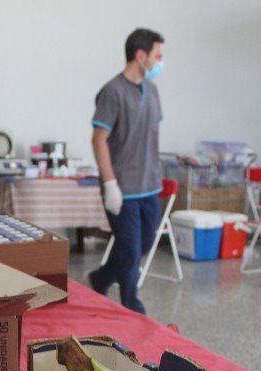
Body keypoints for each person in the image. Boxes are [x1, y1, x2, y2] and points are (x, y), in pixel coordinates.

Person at [87, 28, 165, 314]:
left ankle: (102, 277)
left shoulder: (153, 91)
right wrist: (110, 184)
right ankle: (132, 307)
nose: (160, 61)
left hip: (150, 187)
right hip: (122, 188)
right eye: (158, 55)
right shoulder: (112, 91)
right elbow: (99, 139)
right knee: (131, 252)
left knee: (142, 245)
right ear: (140, 55)